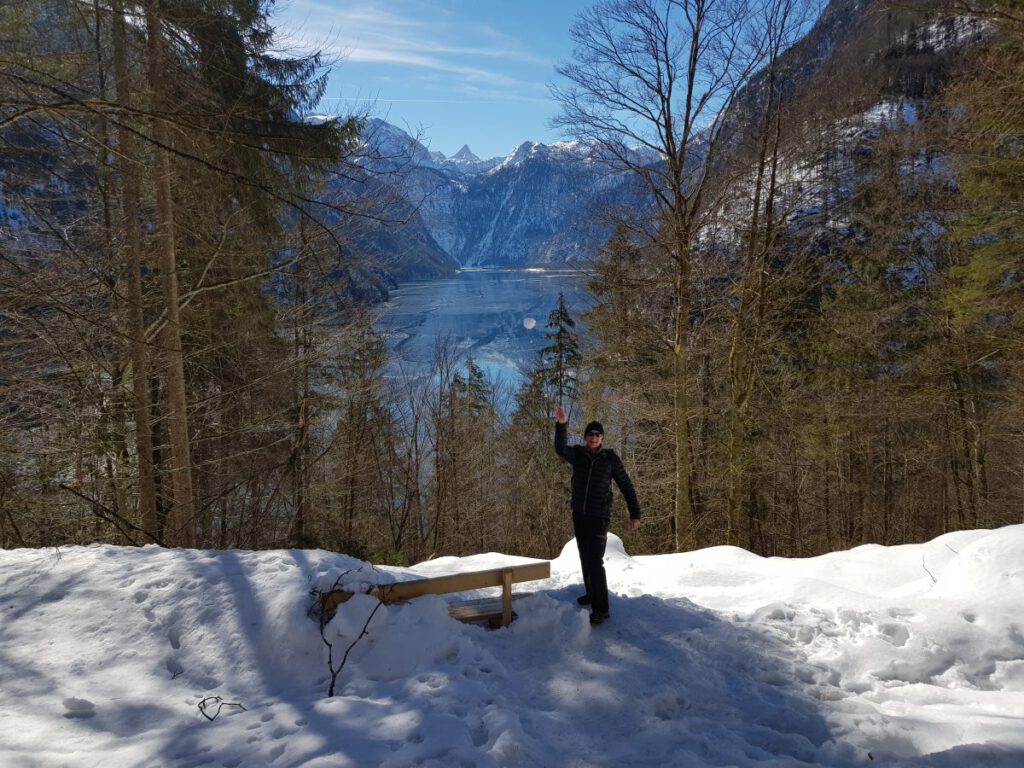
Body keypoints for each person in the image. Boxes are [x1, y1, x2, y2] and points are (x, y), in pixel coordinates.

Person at [554, 404, 640, 625]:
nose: (593, 438)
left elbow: (626, 485)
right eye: (590, 434)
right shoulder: (579, 455)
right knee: (585, 558)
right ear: (585, 437)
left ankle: (602, 609)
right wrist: (562, 424)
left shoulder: (610, 459)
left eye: (597, 435)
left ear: (602, 438)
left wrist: (634, 513)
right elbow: (560, 449)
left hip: (599, 517)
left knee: (595, 562)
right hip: (580, 515)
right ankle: (591, 594)